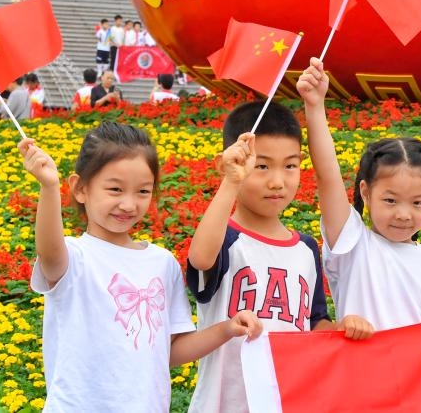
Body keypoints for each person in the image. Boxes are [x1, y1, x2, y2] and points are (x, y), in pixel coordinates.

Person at [18, 122, 262, 412]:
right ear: (80, 189)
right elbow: (49, 252)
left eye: (143, 191)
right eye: (115, 189)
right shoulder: (74, 256)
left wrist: (227, 328)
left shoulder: (162, 263)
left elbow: (170, 351)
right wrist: (49, 187)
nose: (128, 204)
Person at [297, 57, 421, 339]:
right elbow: (328, 176)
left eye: (417, 202)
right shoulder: (353, 244)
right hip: (364, 367)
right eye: (390, 200)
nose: (403, 214)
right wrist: (314, 105)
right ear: (365, 192)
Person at [186, 101, 333, 412]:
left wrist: (346, 329)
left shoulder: (306, 249)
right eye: (262, 166)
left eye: (290, 166)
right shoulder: (226, 240)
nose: (277, 181)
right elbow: (200, 259)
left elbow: (315, 323)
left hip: (286, 402)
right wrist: (231, 181)